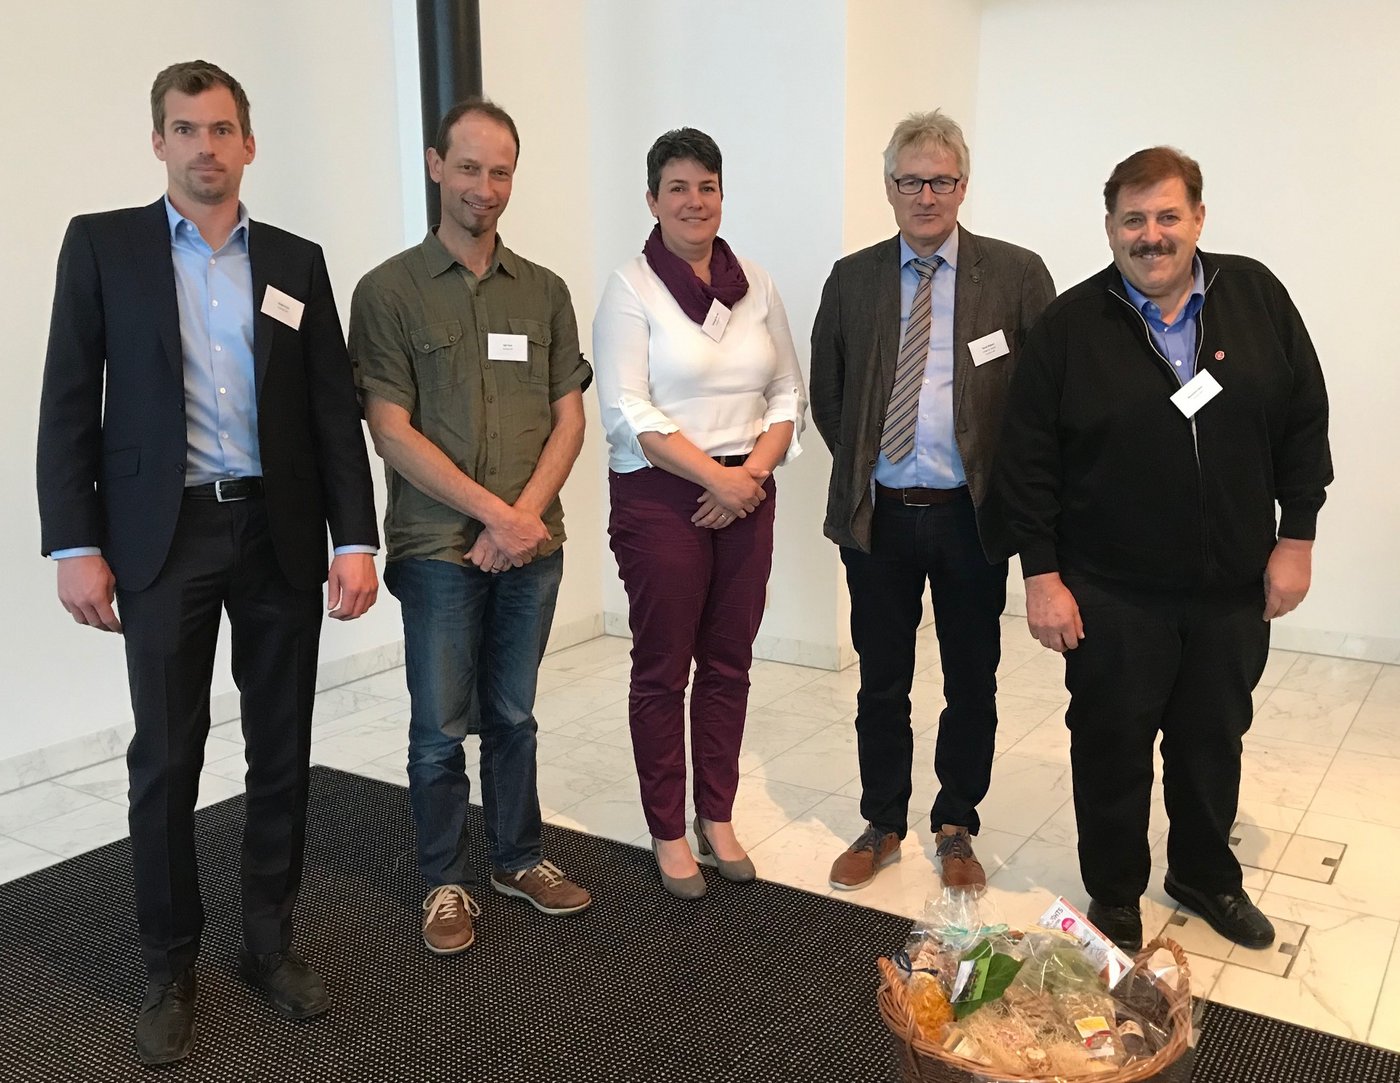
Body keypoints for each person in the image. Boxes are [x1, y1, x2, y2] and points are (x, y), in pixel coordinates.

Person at [36, 60, 380, 1064]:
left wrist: (352, 538)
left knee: (279, 756)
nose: (204, 147)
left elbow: (329, 411)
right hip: (163, 539)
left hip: (276, 535)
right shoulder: (104, 249)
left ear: (248, 143)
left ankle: (268, 947)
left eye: (221, 129)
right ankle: (167, 964)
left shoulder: (294, 261)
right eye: (184, 129)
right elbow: (68, 403)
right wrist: (75, 542)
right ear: (158, 143)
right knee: (166, 761)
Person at [994, 146, 1332, 952]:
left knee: (1212, 739)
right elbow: (1027, 458)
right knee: (1111, 746)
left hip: (1232, 587)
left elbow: (1303, 417)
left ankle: (1205, 873)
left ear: (1199, 219)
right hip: (1112, 590)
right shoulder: (1071, 326)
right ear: (1110, 227)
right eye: (1134, 219)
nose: (1152, 235)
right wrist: (1041, 573)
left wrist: (1299, 534)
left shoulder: (1256, 296)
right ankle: (1114, 893)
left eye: (1168, 216)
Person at [349, 99, 593, 954]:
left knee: (515, 714)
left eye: (499, 171)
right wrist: (494, 516)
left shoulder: (547, 291)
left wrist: (523, 520)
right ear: (433, 165)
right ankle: (443, 880)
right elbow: (390, 426)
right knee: (439, 726)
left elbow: (570, 419)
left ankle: (517, 857)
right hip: (438, 547)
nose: (484, 187)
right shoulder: (387, 291)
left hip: (532, 545)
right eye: (467, 167)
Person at [810, 110, 1054, 893]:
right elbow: (830, 393)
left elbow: (1041, 400)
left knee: (969, 678)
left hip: (969, 517)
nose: (925, 195)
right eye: (910, 180)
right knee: (881, 678)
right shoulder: (853, 279)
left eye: (940, 180)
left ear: (963, 186)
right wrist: (870, 463)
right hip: (879, 514)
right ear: (888, 187)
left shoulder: (1015, 275)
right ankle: (881, 818)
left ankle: (956, 822)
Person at [593, 128, 806, 899]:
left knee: (730, 662)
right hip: (661, 497)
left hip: (748, 489)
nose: (694, 201)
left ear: (722, 195)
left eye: (706, 186)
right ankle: (668, 828)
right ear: (652, 199)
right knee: (663, 670)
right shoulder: (630, 288)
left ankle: (716, 813)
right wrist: (713, 478)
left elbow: (787, 390)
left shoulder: (756, 282)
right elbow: (626, 408)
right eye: (677, 187)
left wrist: (747, 474)